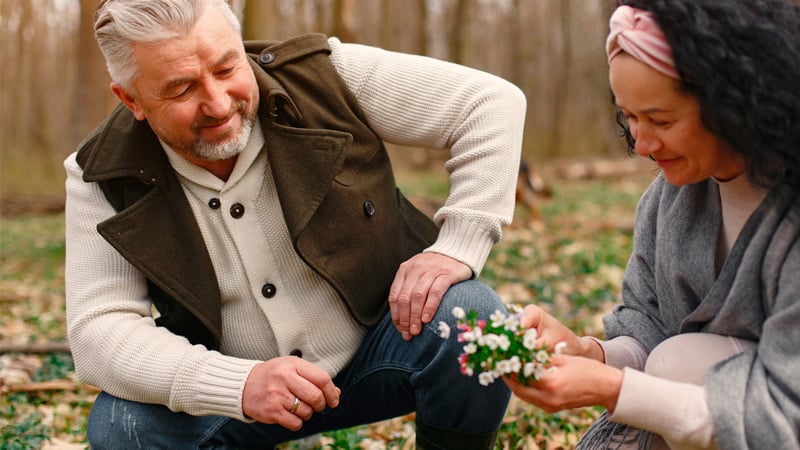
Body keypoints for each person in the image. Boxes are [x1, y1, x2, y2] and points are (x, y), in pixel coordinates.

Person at [64, 0, 526, 448]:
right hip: (234, 400)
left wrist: (458, 243)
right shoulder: (100, 174)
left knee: (475, 318)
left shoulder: (324, 76)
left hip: (384, 349)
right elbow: (98, 331)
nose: (219, 103)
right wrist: (237, 384)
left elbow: (491, 103)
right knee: (121, 427)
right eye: (183, 89)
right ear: (131, 99)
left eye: (228, 68)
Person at [502, 0, 800, 449]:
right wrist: (588, 354)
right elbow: (651, 330)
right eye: (629, 117)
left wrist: (613, 390)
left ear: (735, 102)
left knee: (675, 367)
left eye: (660, 119)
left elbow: (781, 417)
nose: (640, 144)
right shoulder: (668, 200)